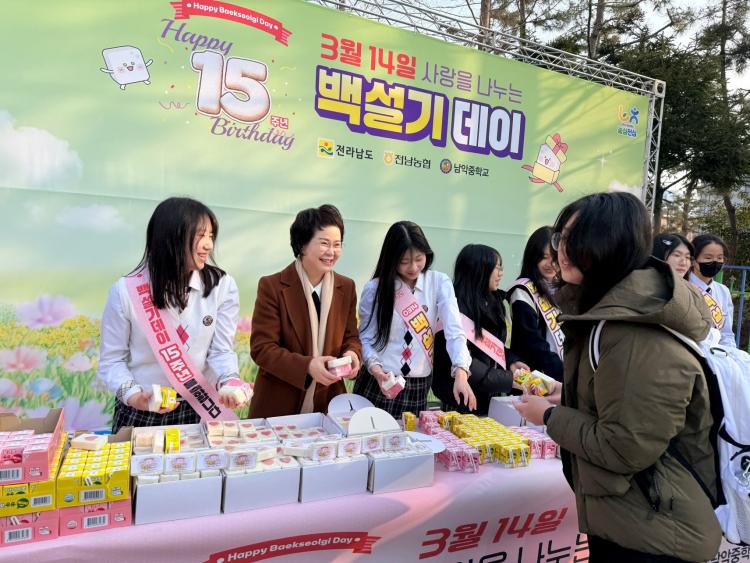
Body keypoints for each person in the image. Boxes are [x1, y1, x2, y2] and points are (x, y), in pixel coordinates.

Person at [515, 192, 721, 562]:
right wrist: (568, 393)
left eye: (577, 238)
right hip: (633, 517)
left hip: (654, 531)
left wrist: (549, 416)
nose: (562, 250)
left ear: (614, 244)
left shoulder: (633, 331)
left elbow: (624, 447)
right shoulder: (612, 315)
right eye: (562, 237)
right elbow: (619, 402)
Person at [99, 197, 246, 433]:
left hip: (198, 407)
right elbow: (112, 360)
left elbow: (221, 351)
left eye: (211, 236)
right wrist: (135, 396)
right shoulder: (126, 291)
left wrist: (230, 381)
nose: (209, 245)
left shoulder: (222, 285)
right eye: (201, 235)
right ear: (171, 237)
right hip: (142, 410)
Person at [249, 204, 361, 418]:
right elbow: (262, 348)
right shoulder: (272, 286)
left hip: (328, 403)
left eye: (337, 245)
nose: (332, 252)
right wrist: (308, 366)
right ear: (302, 245)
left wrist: (352, 354)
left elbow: (351, 337)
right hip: (279, 405)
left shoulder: (346, 287)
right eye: (324, 243)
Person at [354, 221, 475, 417]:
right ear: (391, 259)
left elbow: (455, 331)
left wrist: (461, 372)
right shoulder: (375, 288)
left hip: (417, 386)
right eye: (404, 261)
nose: (413, 267)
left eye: (419, 259)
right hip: (379, 382)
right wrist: (376, 371)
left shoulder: (438, 282)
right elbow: (366, 337)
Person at [432, 244, 529, 415]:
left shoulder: (494, 302)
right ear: (479, 270)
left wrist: (511, 361)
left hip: (491, 397)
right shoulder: (453, 308)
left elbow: (493, 347)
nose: (501, 274)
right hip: (461, 401)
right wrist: (508, 379)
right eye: (497, 268)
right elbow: (462, 359)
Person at [506, 226, 564, 380]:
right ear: (533, 257)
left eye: (554, 257)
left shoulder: (564, 289)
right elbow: (532, 342)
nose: (550, 263)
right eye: (544, 257)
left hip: (559, 373)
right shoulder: (523, 290)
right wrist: (563, 373)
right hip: (532, 377)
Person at [689, 234, 736, 348]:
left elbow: (726, 334)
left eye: (719, 258)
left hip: (716, 353)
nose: (715, 262)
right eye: (708, 258)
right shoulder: (683, 286)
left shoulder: (723, 291)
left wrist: (730, 354)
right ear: (693, 260)